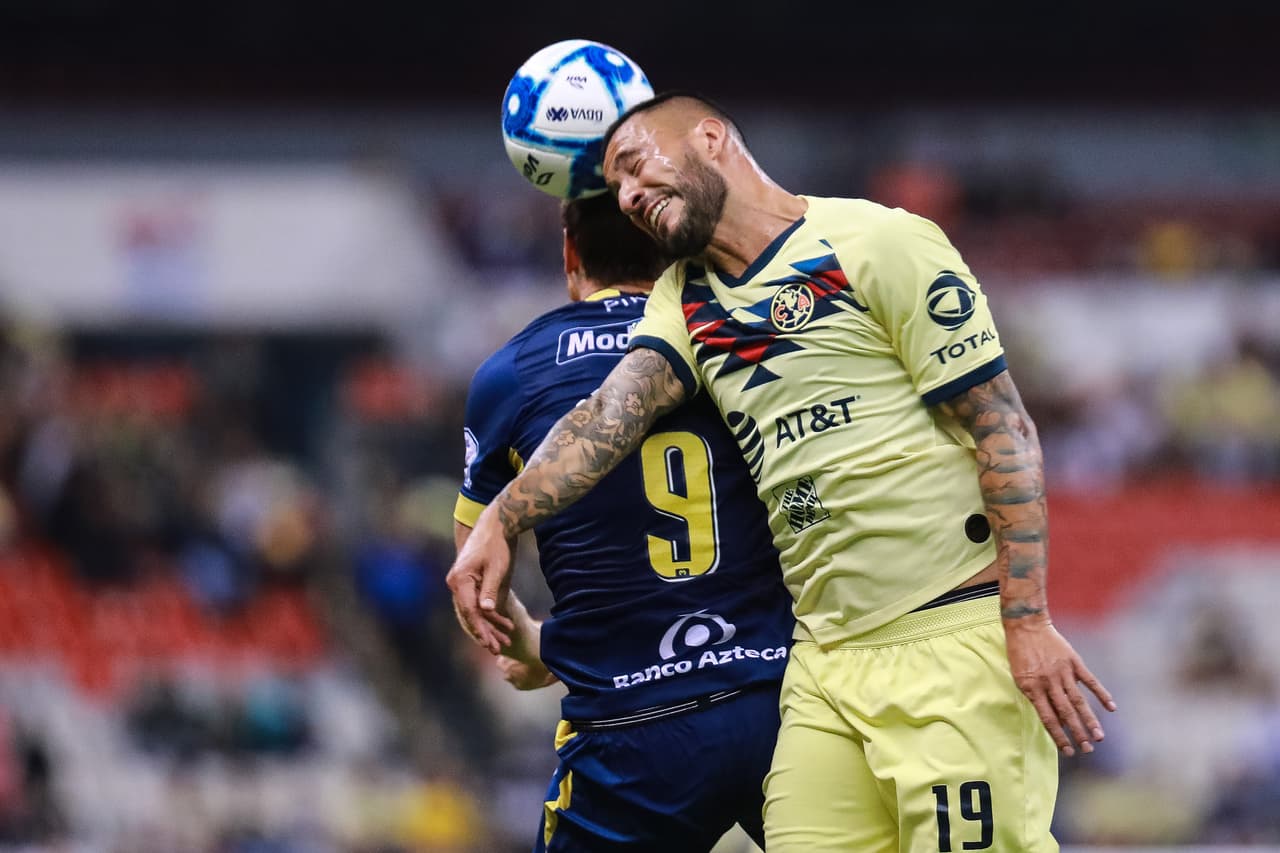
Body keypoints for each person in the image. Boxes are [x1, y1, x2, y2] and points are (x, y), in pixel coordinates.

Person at [449, 93, 1118, 851]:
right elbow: (609, 416)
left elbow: (1004, 426)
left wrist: (1025, 619)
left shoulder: (878, 240)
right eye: (620, 190)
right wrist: (504, 516)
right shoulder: (683, 298)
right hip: (821, 668)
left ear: (711, 137)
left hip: (944, 637)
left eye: (635, 165)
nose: (630, 195)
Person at [452, 192, 793, 852]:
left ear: (569, 254)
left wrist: (533, 648)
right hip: (779, 703)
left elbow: (479, 576)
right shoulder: (739, 339)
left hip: (630, 726)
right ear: (676, 253)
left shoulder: (513, 371)